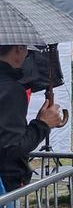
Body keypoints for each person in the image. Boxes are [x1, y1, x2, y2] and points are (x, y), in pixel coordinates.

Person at [0, 45, 64, 193]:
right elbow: (11, 148)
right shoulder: (11, 89)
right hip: (5, 184)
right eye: (26, 49)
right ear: (18, 49)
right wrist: (42, 124)